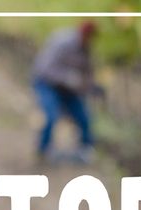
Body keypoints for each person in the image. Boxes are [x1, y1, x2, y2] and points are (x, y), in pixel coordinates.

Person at [32, 22, 98, 163]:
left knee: (83, 116)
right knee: (51, 115)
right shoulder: (62, 42)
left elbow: (87, 74)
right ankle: (43, 150)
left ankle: (85, 149)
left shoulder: (86, 49)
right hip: (47, 83)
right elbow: (44, 68)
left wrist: (91, 86)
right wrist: (66, 78)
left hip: (68, 89)